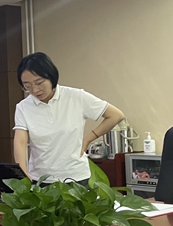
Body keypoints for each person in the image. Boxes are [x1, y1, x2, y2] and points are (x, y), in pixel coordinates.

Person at [13, 52, 125, 186]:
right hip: (41, 179)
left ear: (51, 76)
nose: (35, 90)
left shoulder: (76, 97)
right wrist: (23, 173)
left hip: (76, 178)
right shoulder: (23, 107)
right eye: (27, 86)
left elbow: (116, 115)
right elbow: (20, 142)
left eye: (39, 83)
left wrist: (88, 139)